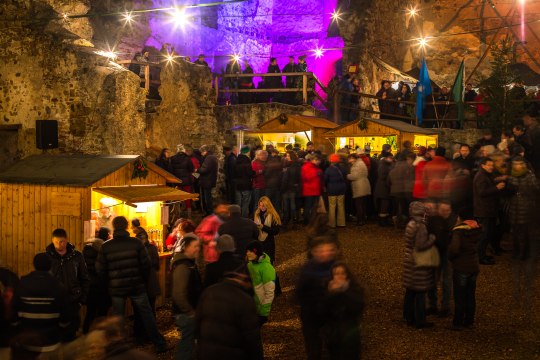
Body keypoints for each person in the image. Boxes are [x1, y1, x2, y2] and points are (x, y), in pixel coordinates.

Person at [96, 216, 168, 353]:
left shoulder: (106, 246)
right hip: (137, 286)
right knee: (147, 315)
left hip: (116, 288)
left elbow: (100, 270)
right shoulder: (136, 243)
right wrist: (142, 279)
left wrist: (109, 283)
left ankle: (121, 348)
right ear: (127, 226)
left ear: (114, 227)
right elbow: (146, 265)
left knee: (119, 319)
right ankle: (159, 343)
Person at [11, 253, 71, 356]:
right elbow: (65, 317)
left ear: (34, 264)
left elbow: (14, 313)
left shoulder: (22, 283)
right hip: (51, 342)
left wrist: (18, 329)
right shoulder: (59, 286)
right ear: (50, 266)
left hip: (27, 340)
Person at [195, 271, 264, 360]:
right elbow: (252, 337)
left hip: (207, 352)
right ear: (243, 279)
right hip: (232, 354)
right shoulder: (244, 299)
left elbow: (197, 324)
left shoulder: (208, 292)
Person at [296, 235, 340, 359]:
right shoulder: (307, 271)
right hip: (312, 316)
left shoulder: (338, 268)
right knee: (314, 349)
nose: (325, 254)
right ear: (314, 252)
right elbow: (300, 294)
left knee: (334, 347)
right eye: (321, 250)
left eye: (329, 250)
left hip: (332, 316)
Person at [45, 228, 89, 342]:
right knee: (53, 332)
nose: (59, 245)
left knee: (71, 332)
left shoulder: (77, 256)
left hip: (73, 300)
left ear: (67, 240)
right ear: (52, 240)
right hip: (53, 300)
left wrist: (82, 300)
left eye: (62, 242)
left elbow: (84, 278)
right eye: (56, 242)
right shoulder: (47, 256)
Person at [402, 202, 437, 329]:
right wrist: (432, 238)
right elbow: (421, 246)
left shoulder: (410, 224)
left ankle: (408, 316)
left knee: (410, 291)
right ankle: (420, 320)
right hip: (418, 262)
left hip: (409, 260)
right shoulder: (420, 226)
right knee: (420, 292)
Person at [321, 262, 365, 359]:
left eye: (343, 273)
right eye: (336, 274)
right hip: (332, 336)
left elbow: (357, 307)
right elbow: (321, 311)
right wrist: (332, 293)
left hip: (350, 336)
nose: (340, 276)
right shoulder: (326, 289)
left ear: (347, 275)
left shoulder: (355, 289)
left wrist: (343, 291)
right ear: (332, 276)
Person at [171, 233, 202, 360]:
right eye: (195, 246)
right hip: (185, 314)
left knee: (189, 342)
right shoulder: (183, 266)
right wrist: (190, 312)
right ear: (186, 247)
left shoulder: (189, 263)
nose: (197, 249)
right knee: (186, 343)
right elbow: (178, 293)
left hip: (188, 311)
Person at [448, 215, 482, 330]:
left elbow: (454, 249)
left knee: (460, 296)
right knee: (470, 295)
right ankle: (469, 320)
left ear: (462, 218)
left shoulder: (459, 231)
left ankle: (458, 322)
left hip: (462, 267)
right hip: (474, 266)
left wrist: (450, 257)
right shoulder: (477, 229)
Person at [131, 219, 161, 343]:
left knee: (138, 312)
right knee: (151, 310)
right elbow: (157, 266)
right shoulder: (153, 249)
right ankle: (151, 335)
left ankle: (139, 336)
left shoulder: (135, 250)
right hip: (151, 283)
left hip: (139, 284)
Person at [473, 157, 506, 265]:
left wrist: (497, 180)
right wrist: (497, 188)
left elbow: (490, 182)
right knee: (484, 235)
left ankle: (483, 255)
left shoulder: (486, 174)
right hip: (484, 210)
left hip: (488, 209)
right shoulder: (481, 176)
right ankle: (480, 257)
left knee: (487, 234)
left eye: (492, 165)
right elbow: (482, 192)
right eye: (489, 165)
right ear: (483, 165)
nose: (491, 167)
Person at [82, 227, 111, 334]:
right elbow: (103, 270)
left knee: (90, 312)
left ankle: (86, 333)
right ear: (106, 236)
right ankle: (100, 335)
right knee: (102, 312)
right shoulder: (103, 249)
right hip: (101, 286)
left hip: (89, 286)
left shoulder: (87, 248)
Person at [245, 241, 276, 326]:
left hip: (260, 308)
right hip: (250, 307)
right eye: (247, 251)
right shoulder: (249, 265)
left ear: (257, 252)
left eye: (251, 251)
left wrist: (263, 314)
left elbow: (269, 293)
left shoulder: (267, 268)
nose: (248, 253)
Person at [389, 152, 415, 228]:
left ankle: (398, 222)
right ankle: (405, 223)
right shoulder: (410, 167)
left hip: (395, 190)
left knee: (398, 207)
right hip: (406, 190)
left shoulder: (393, 167)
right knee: (406, 207)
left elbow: (389, 180)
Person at [253, 196, 281, 263]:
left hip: (268, 243)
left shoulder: (273, 215)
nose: (261, 207)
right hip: (259, 243)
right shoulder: (256, 214)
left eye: (263, 205)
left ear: (268, 205)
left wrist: (263, 227)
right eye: (260, 205)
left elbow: (276, 231)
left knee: (268, 262)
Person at [170, 144, 195, 217]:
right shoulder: (187, 158)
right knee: (187, 196)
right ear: (183, 150)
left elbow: (171, 170)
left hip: (177, 181)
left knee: (178, 197)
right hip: (186, 181)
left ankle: (179, 213)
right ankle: (189, 214)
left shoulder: (173, 158)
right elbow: (191, 169)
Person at [347, 153, 371, 226]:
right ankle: (363, 219)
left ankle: (360, 220)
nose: (348, 160)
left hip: (359, 186)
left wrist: (347, 176)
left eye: (349, 158)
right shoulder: (361, 163)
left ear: (353, 158)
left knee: (359, 204)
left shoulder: (356, 166)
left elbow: (354, 176)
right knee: (363, 204)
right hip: (365, 184)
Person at [324, 154, 347, 228]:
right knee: (341, 206)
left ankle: (332, 223)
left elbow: (325, 180)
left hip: (332, 189)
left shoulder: (328, 170)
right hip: (341, 189)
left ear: (330, 161)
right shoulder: (343, 168)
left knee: (332, 206)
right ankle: (341, 223)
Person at [197, 144, 219, 216]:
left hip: (207, 181)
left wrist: (197, 170)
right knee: (207, 197)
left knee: (207, 198)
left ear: (205, 151)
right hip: (208, 180)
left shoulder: (209, 158)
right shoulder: (211, 157)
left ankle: (209, 213)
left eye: (202, 152)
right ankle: (209, 212)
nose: (201, 154)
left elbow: (204, 170)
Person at [301, 153, 323, 225]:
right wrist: (316, 173)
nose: (319, 162)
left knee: (314, 207)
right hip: (309, 191)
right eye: (318, 160)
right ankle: (306, 220)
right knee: (308, 206)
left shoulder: (316, 167)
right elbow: (306, 178)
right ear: (314, 160)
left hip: (315, 190)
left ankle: (312, 220)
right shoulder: (306, 167)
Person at [234, 145, 255, 217]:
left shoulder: (236, 160)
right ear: (247, 152)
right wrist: (255, 172)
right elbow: (250, 173)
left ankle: (237, 217)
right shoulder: (247, 161)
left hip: (237, 184)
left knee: (238, 203)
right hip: (246, 184)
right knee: (245, 203)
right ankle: (244, 218)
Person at [282, 150, 302, 225]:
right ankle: (293, 219)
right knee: (292, 204)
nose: (286, 157)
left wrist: (282, 189)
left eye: (287, 156)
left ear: (291, 157)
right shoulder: (297, 165)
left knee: (288, 205)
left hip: (288, 188)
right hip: (293, 187)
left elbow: (285, 179)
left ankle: (289, 219)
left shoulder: (289, 166)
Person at [374, 152, 394, 227]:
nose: (391, 159)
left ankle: (384, 220)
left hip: (383, 188)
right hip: (383, 189)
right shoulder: (383, 166)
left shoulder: (385, 165)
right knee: (384, 206)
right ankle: (382, 222)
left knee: (385, 205)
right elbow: (383, 176)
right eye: (390, 158)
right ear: (386, 158)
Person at [265, 149, 283, 213]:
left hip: (269, 185)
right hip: (277, 185)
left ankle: (269, 215)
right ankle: (277, 216)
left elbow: (266, 175)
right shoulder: (280, 163)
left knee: (268, 201)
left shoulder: (269, 163)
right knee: (277, 202)